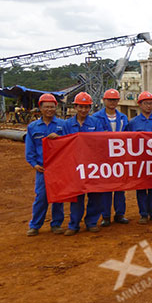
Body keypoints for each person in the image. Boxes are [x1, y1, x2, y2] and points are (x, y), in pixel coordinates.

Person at [62, 92, 105, 235]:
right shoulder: (67, 124)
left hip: (92, 165)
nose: (83, 110)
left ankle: (92, 222)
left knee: (95, 195)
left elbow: (101, 143)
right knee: (76, 196)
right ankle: (73, 225)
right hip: (75, 165)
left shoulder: (95, 123)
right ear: (75, 107)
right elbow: (62, 144)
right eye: (81, 107)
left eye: (86, 107)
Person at [25, 93, 66, 236]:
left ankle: (56, 224)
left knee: (58, 197)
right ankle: (35, 225)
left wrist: (60, 138)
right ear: (40, 108)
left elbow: (69, 143)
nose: (49, 109)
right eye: (46, 107)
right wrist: (34, 164)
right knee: (41, 197)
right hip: (42, 168)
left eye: (52, 107)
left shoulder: (63, 125)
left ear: (56, 108)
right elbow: (30, 149)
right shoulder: (33, 127)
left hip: (59, 168)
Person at [127, 91, 152, 224]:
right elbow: (127, 141)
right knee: (142, 187)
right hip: (140, 161)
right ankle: (143, 214)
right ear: (140, 105)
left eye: (151, 103)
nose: (149, 106)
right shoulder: (133, 123)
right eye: (146, 103)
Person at [92, 88, 130, 226]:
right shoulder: (96, 118)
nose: (112, 102)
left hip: (119, 158)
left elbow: (128, 136)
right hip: (104, 158)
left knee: (120, 188)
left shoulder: (123, 118)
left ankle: (120, 214)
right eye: (110, 100)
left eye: (115, 100)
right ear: (104, 101)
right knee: (106, 188)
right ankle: (106, 216)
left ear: (118, 101)